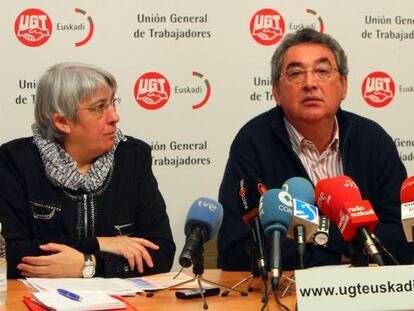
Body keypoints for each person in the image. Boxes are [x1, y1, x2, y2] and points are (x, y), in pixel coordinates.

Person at [217, 28, 414, 271]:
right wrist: (344, 250)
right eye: (296, 73)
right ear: (277, 92)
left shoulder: (373, 140)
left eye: (322, 71)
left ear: (343, 85)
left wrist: (320, 239)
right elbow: (236, 249)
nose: (310, 83)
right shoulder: (253, 142)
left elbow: (405, 239)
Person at [0, 62, 176, 278]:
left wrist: (88, 264)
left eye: (113, 103)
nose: (114, 117)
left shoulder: (133, 157)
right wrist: (100, 243)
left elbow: (160, 253)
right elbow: (10, 254)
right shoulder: (16, 161)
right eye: (99, 108)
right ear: (62, 121)